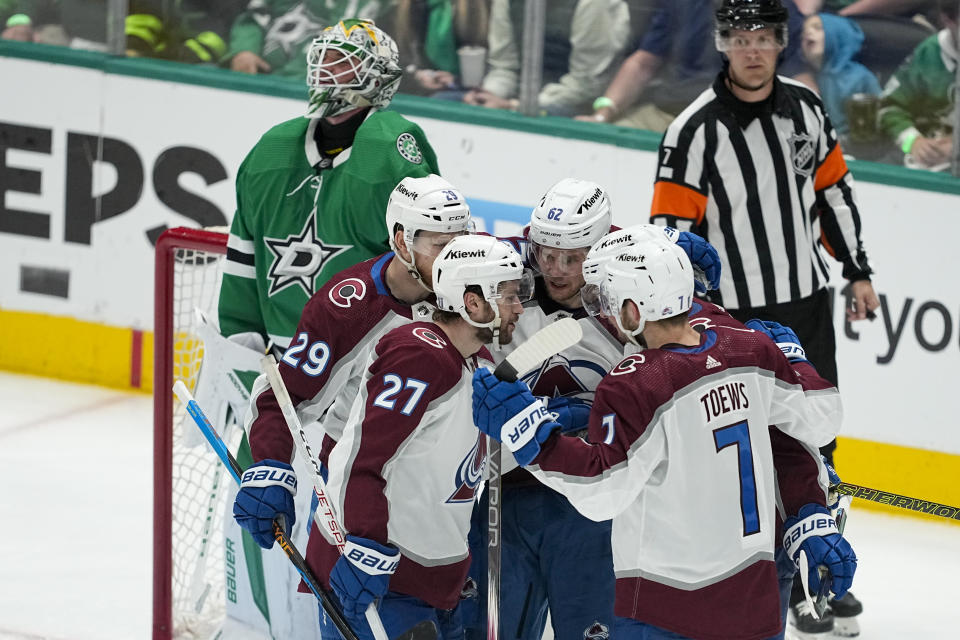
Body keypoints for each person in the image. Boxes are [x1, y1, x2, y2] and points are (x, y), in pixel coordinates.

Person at [471, 237, 857, 640]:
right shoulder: (750, 348)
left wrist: (526, 428)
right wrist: (793, 356)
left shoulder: (635, 382)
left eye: (607, 301)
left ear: (633, 310)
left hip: (663, 607)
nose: (602, 313)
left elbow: (604, 491)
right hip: (753, 600)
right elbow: (821, 419)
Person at [648, 1, 876, 633]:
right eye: (740, 38)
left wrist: (857, 270)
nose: (752, 50)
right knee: (763, 449)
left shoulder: (806, 108)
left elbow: (834, 194)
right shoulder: (693, 131)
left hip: (805, 303)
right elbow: (672, 238)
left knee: (818, 444)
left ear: (781, 44)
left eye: (764, 38)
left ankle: (821, 572)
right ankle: (784, 583)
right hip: (738, 318)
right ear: (723, 44)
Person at [234, 233, 534, 639]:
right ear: (472, 302)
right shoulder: (419, 355)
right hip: (378, 580)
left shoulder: (478, 362)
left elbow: (478, 464)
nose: (518, 307)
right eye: (509, 295)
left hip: (437, 584)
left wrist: (536, 424)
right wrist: (363, 547)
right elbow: (361, 458)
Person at [218, 19, 440, 353]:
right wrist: (239, 337)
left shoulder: (390, 151)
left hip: (366, 358)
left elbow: (431, 258)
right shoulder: (270, 151)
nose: (325, 71)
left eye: (341, 62)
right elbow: (244, 252)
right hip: (283, 354)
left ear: (377, 76)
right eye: (322, 60)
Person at [575, 0, 813, 130]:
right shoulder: (680, 3)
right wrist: (603, 113)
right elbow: (643, 62)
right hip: (666, 116)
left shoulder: (778, 9)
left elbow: (798, 75)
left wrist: (815, 127)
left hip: (737, 127)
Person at [462, 0, 631, 116]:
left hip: (575, 106)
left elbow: (585, 87)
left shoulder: (594, 4)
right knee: (448, 102)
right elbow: (504, 67)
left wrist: (514, 106)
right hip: (520, 99)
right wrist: (487, 95)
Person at [878, 0, 957, 171]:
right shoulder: (928, 53)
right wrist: (912, 142)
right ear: (948, 20)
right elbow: (888, 108)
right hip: (922, 157)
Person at [799, 12, 881, 142]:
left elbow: (881, 116)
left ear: (840, 35)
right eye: (803, 34)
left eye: (817, 28)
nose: (807, 33)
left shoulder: (860, 77)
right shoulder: (806, 79)